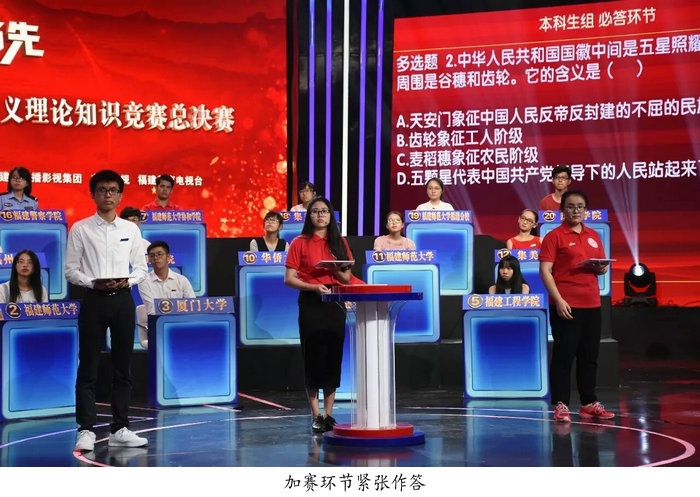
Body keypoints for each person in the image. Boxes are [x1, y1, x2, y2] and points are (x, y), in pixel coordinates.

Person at [65, 169, 148, 452]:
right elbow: (71, 270)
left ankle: (120, 428)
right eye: (102, 189)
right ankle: (86, 429)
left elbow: (141, 269)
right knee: (88, 365)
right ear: (93, 194)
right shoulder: (80, 228)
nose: (108, 195)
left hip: (123, 299)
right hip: (94, 300)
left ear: (120, 195)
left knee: (122, 366)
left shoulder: (131, 229)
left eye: (113, 190)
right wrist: (93, 282)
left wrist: (128, 281)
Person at [284, 196, 358, 433]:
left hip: (334, 301)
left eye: (324, 211)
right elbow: (289, 279)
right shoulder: (299, 242)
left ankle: (329, 414)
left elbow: (346, 278)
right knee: (313, 356)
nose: (320, 215)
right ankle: (316, 415)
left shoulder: (339, 242)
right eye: (315, 211)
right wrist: (313, 287)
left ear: (330, 215)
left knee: (333, 355)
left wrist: (336, 269)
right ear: (310, 216)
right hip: (311, 302)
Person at [539, 189, 614, 423]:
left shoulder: (593, 235)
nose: (576, 211)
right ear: (563, 210)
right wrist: (558, 300)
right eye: (571, 206)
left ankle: (588, 403)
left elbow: (602, 267)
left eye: (580, 207)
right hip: (566, 304)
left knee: (589, 356)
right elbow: (545, 271)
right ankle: (561, 404)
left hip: (592, 303)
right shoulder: (554, 236)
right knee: (564, 355)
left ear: (586, 210)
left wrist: (601, 268)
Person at [137, 241, 195, 348]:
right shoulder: (144, 281)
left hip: (181, 326)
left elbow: (192, 306)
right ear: (148, 260)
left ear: (168, 257)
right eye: (152, 256)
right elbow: (152, 310)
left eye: (159, 254)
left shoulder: (182, 280)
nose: (155, 258)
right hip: (158, 327)